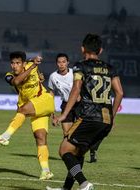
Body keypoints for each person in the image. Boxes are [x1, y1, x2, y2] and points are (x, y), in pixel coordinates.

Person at [47, 34, 123, 190]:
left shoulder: (81, 66)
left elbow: (75, 90)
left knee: (64, 150)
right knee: (78, 153)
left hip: (88, 116)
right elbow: (120, 93)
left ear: (83, 49)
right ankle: (67, 188)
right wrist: (112, 116)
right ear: (100, 50)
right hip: (105, 120)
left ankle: (84, 183)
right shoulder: (110, 68)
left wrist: (63, 115)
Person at [0, 51, 55, 180]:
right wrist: (34, 66)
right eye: (12, 63)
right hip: (35, 106)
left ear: (23, 63)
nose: (14, 66)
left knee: (22, 110)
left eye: (18, 63)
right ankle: (46, 171)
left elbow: (34, 64)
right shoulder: (9, 76)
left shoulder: (31, 65)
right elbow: (17, 82)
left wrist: (35, 63)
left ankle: (5, 137)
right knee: (40, 138)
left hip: (44, 99)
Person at [48, 53, 100, 163]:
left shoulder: (74, 72)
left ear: (67, 63)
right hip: (66, 104)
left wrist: (80, 94)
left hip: (80, 104)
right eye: (59, 62)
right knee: (67, 133)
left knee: (83, 131)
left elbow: (85, 84)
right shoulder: (53, 76)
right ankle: (71, 155)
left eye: (63, 62)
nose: (61, 64)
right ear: (56, 63)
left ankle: (91, 150)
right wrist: (52, 113)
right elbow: (51, 94)